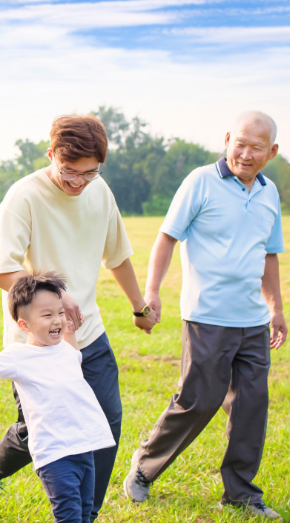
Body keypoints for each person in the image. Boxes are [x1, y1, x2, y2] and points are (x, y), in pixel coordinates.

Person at [0, 114, 157, 523]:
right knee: (39, 431)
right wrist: (55, 293)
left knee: (104, 421)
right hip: (36, 344)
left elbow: (117, 255)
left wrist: (139, 306)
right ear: (51, 154)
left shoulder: (99, 190)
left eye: (89, 173)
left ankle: (85, 516)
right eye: (69, 172)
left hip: (87, 333)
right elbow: (0, 270)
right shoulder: (24, 196)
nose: (78, 183)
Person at [124, 111, 285, 521]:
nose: (245, 154)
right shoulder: (201, 181)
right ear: (228, 138)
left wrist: (276, 309)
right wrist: (153, 290)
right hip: (207, 315)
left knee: (251, 406)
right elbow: (166, 238)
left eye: (256, 148)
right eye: (240, 143)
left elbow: (269, 255)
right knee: (198, 400)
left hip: (251, 320)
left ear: (272, 152)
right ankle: (144, 466)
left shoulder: (269, 193)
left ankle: (241, 494)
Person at [0, 272, 116, 523]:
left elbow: (74, 357)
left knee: (83, 513)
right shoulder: (19, 355)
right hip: (54, 454)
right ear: (24, 325)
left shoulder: (66, 350)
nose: (57, 319)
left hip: (84, 449)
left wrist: (70, 329)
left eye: (60, 312)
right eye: (47, 315)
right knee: (69, 515)